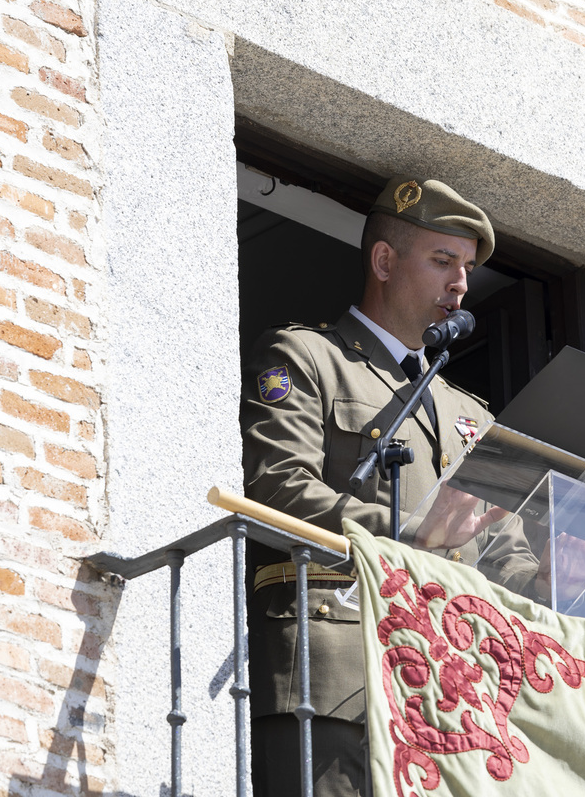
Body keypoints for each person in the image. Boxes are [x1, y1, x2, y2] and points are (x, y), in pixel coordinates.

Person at [241, 176, 536, 796]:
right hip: (335, 671)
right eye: (443, 261)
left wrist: (561, 575)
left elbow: (506, 557)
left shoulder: (474, 417)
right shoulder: (308, 358)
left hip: (455, 699)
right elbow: (274, 487)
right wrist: (405, 530)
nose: (461, 283)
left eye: (468, 268)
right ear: (383, 260)